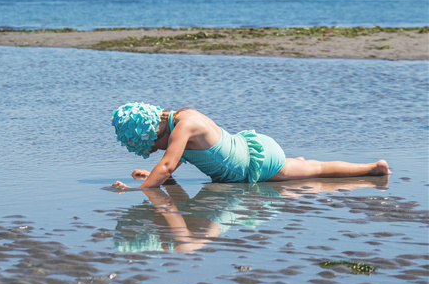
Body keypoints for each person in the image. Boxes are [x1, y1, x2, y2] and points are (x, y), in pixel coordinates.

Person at [111, 102, 390, 189]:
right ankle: (292, 163)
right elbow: (174, 161)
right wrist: (155, 175)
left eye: (154, 146)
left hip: (253, 164)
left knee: (316, 171)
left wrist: (140, 191)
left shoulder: (183, 127)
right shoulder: (181, 121)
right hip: (250, 148)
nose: (158, 151)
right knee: (301, 168)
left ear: (155, 132)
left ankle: (371, 169)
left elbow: (170, 162)